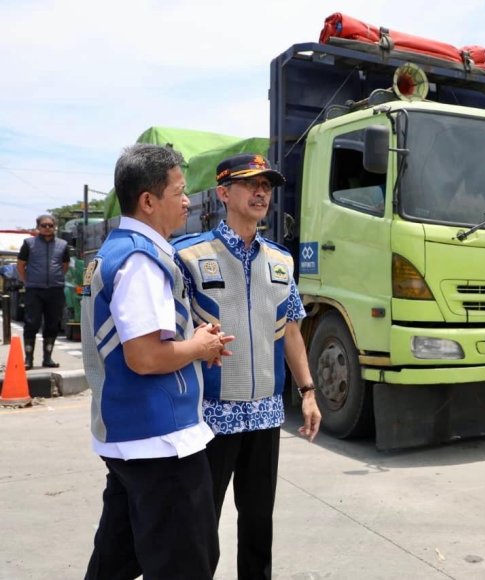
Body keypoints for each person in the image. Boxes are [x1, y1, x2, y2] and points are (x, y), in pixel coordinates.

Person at [81, 144, 234, 580]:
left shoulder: (115, 251)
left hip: (132, 441)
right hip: (162, 445)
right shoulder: (140, 260)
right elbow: (145, 356)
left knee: (115, 561)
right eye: (179, 192)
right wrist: (201, 347)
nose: (188, 201)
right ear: (148, 201)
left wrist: (193, 342)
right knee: (186, 563)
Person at [174, 153, 322, 579]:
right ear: (224, 193)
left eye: (268, 185)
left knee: (259, 525)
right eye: (250, 184)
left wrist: (308, 392)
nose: (261, 192)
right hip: (209, 418)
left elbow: (290, 331)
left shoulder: (280, 261)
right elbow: (169, 334)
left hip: (265, 416)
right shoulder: (188, 256)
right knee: (201, 528)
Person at [17, 214, 70, 369]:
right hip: (34, 290)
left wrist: (56, 278)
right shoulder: (29, 243)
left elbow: (64, 265)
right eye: (44, 225)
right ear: (38, 227)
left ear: (55, 227)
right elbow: (20, 265)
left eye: (50, 225)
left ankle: (48, 358)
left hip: (55, 290)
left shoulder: (63, 244)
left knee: (52, 324)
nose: (47, 228)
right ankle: (28, 359)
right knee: (31, 323)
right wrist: (27, 281)